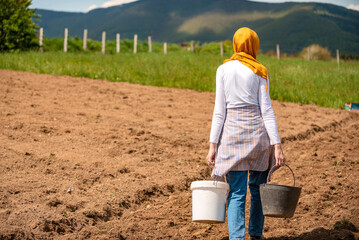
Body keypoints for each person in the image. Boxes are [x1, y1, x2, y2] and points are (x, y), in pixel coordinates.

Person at [206, 27, 286, 240]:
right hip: (258, 137)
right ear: (254, 46)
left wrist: (213, 145)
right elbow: (267, 110)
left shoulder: (222, 69)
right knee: (258, 190)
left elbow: (219, 111)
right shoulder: (260, 70)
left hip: (232, 137)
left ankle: (237, 238)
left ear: (236, 44)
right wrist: (277, 145)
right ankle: (256, 235)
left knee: (237, 193)